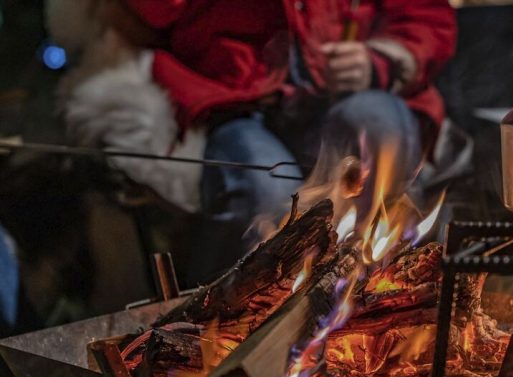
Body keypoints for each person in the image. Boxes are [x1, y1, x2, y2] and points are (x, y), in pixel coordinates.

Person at [116, 0, 457, 224]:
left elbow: (426, 16)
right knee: (265, 195)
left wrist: (379, 60)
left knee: (380, 130)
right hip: (238, 100)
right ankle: (270, 322)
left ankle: (393, 299)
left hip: (345, 95)